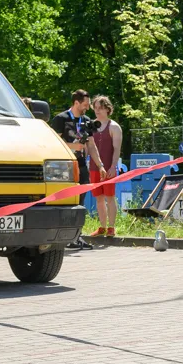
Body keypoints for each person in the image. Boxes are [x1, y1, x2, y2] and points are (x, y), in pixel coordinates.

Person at [49, 89, 98, 250]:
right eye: (85, 104)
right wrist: (72, 146)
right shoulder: (61, 119)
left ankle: (77, 236)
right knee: (66, 202)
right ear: (76, 103)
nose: (87, 108)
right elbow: (53, 143)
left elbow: (91, 145)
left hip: (81, 165)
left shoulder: (87, 120)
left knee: (80, 202)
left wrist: (100, 165)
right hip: (63, 167)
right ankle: (61, 236)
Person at [88, 95, 123, 237]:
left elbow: (117, 149)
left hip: (109, 167)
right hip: (94, 168)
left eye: (101, 108)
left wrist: (113, 166)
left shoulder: (114, 126)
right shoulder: (91, 125)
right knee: (99, 198)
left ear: (108, 109)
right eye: (95, 108)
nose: (97, 111)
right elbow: (87, 146)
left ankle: (111, 228)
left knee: (110, 197)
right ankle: (102, 227)